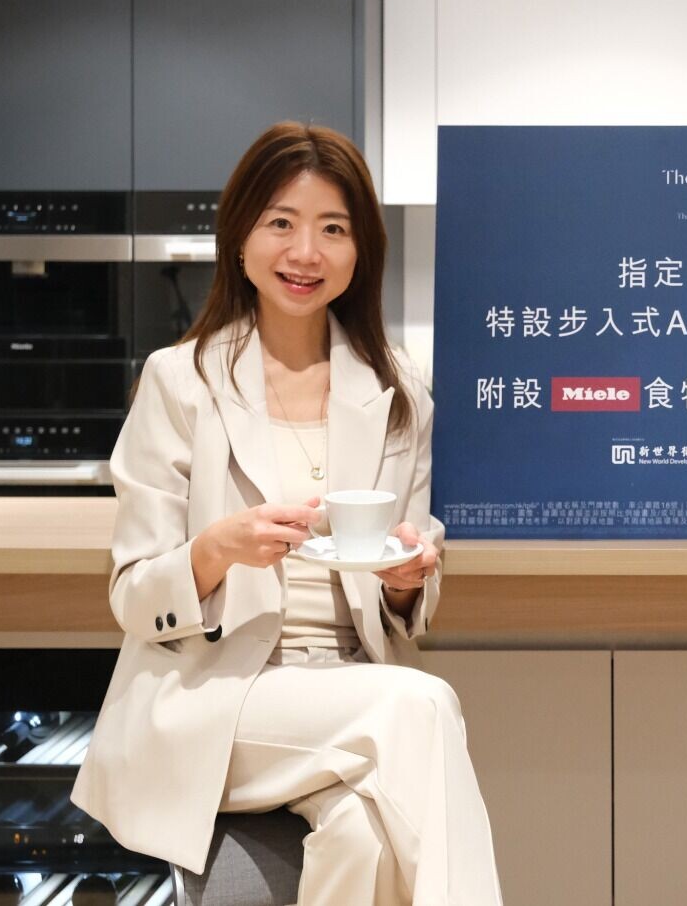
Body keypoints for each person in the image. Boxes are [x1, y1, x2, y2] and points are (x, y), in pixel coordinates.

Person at [72, 122, 502, 905]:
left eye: (332, 229)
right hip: (215, 700)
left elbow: (405, 603)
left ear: (359, 250)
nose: (306, 252)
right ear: (239, 237)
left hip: (346, 689)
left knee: (362, 838)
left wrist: (407, 576)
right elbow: (132, 595)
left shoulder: (397, 388)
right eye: (281, 223)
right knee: (424, 707)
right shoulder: (180, 381)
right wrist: (216, 550)